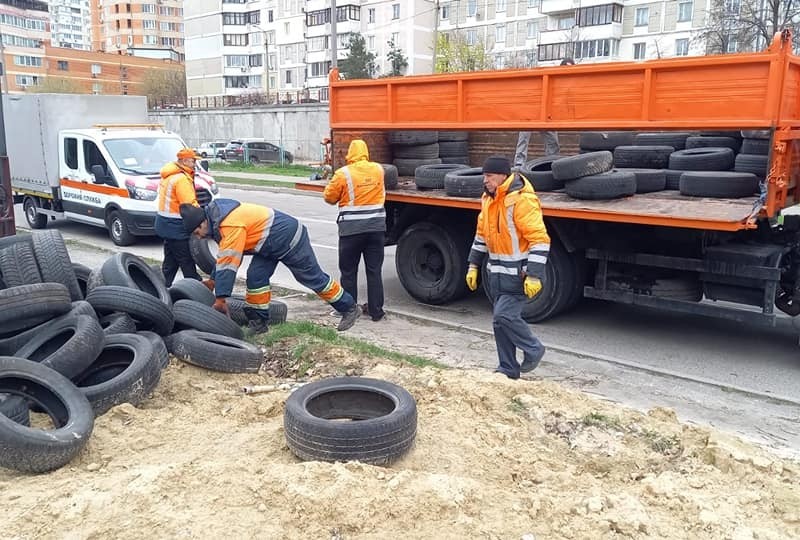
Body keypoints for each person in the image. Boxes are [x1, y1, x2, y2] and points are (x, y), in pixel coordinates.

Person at [179, 199, 360, 334]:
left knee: (311, 277)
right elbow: (224, 258)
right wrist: (212, 281)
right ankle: (259, 323)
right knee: (256, 277)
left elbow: (229, 263)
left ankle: (349, 307)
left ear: (203, 222)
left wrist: (221, 299)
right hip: (267, 245)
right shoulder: (216, 218)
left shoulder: (229, 224)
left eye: (197, 232)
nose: (200, 237)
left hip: (289, 237)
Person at [465, 156, 551, 379]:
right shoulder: (488, 199)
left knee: (504, 317)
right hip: (497, 274)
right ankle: (508, 368)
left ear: (503, 176)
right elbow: (481, 235)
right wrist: (473, 265)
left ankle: (533, 348)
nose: (485, 180)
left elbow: (539, 239)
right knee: (499, 322)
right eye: (484, 176)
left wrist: (534, 275)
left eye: (489, 176)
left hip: (518, 275)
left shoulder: (522, 200)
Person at [323, 139, 386, 322]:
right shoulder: (379, 169)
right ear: (366, 152)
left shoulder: (343, 174)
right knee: (374, 271)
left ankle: (349, 310)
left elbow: (329, 198)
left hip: (351, 231)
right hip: (376, 229)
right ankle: (376, 312)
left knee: (349, 272)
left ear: (350, 154)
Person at [514, 57, 575, 168]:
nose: (567, 71)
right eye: (565, 67)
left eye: (570, 68)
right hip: (532, 111)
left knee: (553, 142)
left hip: (548, 115)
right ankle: (519, 164)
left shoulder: (567, 86)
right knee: (523, 136)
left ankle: (552, 164)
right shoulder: (550, 76)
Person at [155, 148, 202, 287]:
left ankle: (160, 288)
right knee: (186, 260)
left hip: (165, 224)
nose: (195, 164)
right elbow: (189, 205)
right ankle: (196, 289)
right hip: (176, 226)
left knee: (171, 261)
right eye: (193, 161)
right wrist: (203, 216)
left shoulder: (170, 175)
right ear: (184, 161)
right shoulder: (181, 179)